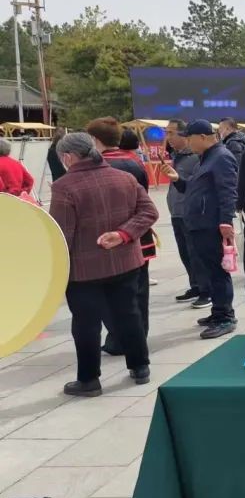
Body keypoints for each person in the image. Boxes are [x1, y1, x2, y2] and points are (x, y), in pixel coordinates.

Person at [49, 132, 158, 396]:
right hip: (125, 261)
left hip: (84, 270)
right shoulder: (124, 178)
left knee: (86, 323)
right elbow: (149, 212)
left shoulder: (64, 187)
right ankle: (140, 367)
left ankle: (89, 380)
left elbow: (62, 234)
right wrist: (123, 234)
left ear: (68, 157)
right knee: (129, 313)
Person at [165, 120, 239, 339]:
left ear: (203, 137)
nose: (188, 142)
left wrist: (226, 221)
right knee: (209, 271)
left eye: (189, 138)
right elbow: (194, 188)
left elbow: (228, 191)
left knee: (218, 272)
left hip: (211, 224)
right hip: (198, 224)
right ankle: (218, 311)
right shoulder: (205, 158)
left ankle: (225, 317)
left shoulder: (221, 157)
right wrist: (178, 180)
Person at [86, 117, 155, 350]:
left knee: (113, 294)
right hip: (140, 233)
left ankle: (120, 339)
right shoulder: (134, 162)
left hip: (112, 237)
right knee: (139, 292)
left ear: (95, 139)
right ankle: (139, 335)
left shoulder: (99, 166)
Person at [163, 120, 205, 304]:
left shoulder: (196, 158)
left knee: (196, 254)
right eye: (167, 133)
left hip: (190, 213)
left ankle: (205, 291)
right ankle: (195, 285)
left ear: (184, 134)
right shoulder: (177, 156)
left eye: (171, 133)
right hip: (176, 212)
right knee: (185, 254)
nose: (168, 137)